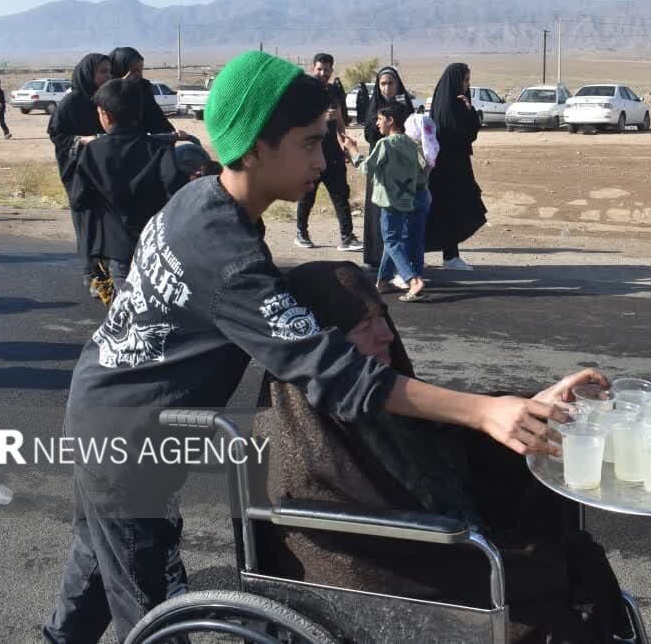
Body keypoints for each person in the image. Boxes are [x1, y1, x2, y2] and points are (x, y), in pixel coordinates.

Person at [42, 50, 573, 644]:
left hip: (103, 409)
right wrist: (487, 412)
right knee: (149, 607)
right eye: (309, 143)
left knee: (95, 565)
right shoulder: (224, 250)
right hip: (127, 439)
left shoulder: (205, 203)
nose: (323, 161)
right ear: (255, 147)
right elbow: (336, 375)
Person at [250, 260, 626, 642]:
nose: (386, 335)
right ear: (321, 345)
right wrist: (513, 564)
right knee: (560, 586)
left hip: (440, 555)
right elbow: (359, 567)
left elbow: (446, 430)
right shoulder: (303, 445)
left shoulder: (378, 405)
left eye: (382, 317)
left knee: (570, 562)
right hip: (389, 593)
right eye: (364, 326)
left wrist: (535, 407)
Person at [63, 78, 188, 302]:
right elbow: (175, 191)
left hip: (116, 247)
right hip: (154, 243)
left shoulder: (93, 151)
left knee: (127, 304)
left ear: (106, 116)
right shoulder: (159, 149)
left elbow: (78, 200)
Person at [341, 100, 425, 302]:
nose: (377, 123)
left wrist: (353, 150)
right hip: (405, 200)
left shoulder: (385, 144)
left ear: (390, 120)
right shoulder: (412, 145)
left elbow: (366, 168)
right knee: (392, 238)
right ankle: (383, 281)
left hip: (388, 201)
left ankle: (413, 279)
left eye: (380, 119)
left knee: (391, 240)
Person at [48, 53, 113, 296]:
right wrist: (83, 141)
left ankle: (107, 269)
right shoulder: (72, 101)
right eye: (102, 72)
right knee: (86, 220)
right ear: (88, 74)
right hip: (78, 170)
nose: (107, 76)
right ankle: (91, 273)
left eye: (109, 71)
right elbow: (57, 134)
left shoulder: (105, 99)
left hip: (102, 169)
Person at [294, 52, 362, 251]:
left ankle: (347, 237)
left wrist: (344, 143)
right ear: (312, 68)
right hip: (311, 152)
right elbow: (298, 121)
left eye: (326, 69)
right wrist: (322, 118)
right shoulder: (303, 91)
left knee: (340, 195)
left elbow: (339, 120)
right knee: (307, 195)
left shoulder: (334, 91)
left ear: (332, 70)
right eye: (319, 69)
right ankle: (301, 233)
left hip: (333, 153)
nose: (323, 73)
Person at [425, 62, 487, 270]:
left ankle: (450, 255)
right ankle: (445, 256)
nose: (467, 84)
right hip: (447, 168)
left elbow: (469, 134)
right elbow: (462, 135)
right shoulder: (448, 106)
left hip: (456, 165)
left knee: (451, 210)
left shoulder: (457, 102)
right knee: (446, 210)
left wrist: (469, 111)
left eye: (468, 80)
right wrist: (468, 113)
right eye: (465, 80)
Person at [361, 66, 416, 267]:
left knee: (401, 211)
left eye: (391, 83)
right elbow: (369, 134)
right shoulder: (374, 106)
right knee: (379, 209)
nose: (387, 88)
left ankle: (401, 258)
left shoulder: (405, 104)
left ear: (397, 84)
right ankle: (377, 257)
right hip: (381, 163)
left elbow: (414, 130)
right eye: (383, 83)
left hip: (401, 167)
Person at [402, 109, 439, 288]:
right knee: (417, 238)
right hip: (424, 195)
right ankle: (417, 272)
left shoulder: (414, 150)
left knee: (405, 237)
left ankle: (407, 276)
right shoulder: (431, 146)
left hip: (411, 197)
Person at [108, 47, 176, 137]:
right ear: (120, 69)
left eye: (141, 70)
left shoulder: (143, 87)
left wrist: (169, 134)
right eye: (133, 71)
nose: (139, 74)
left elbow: (155, 116)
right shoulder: (105, 91)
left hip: (139, 140)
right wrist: (120, 88)